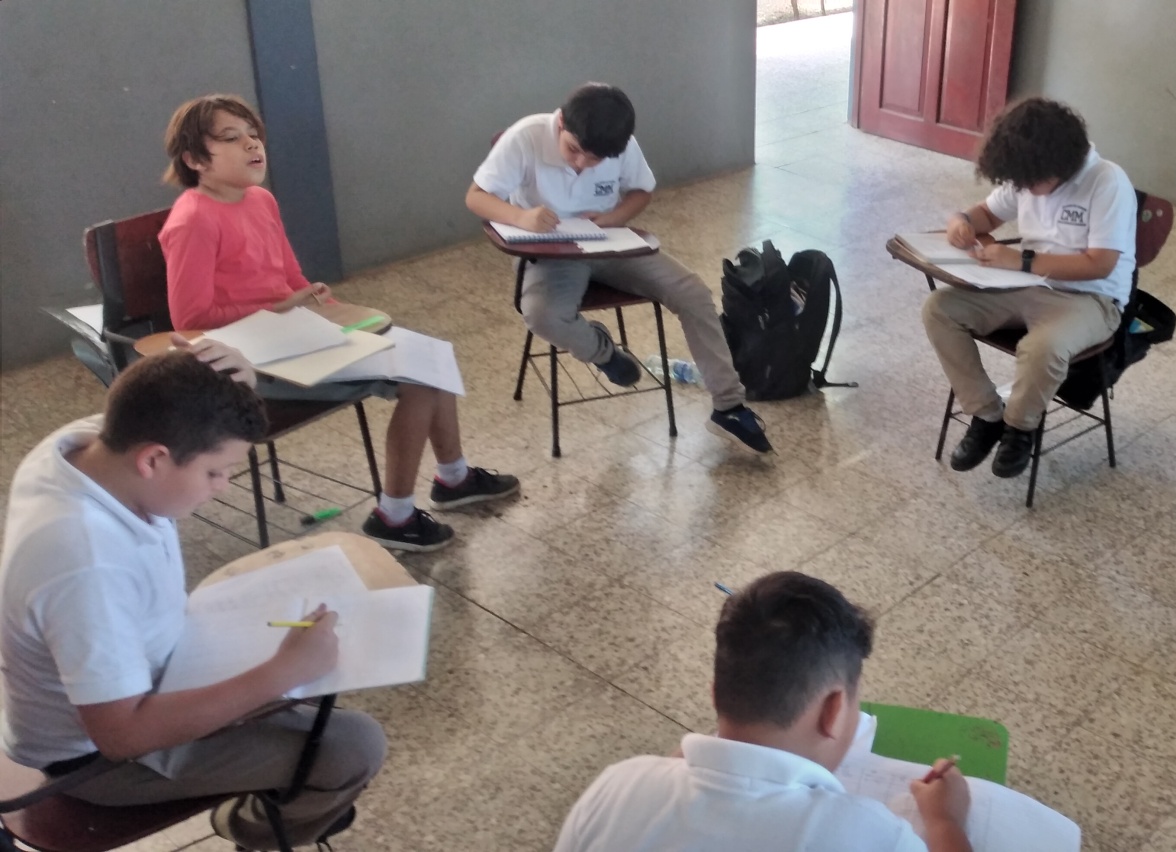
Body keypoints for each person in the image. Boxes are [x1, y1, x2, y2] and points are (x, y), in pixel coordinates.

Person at [0, 349, 387, 850]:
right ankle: (249, 825)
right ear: (153, 460)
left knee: (317, 682)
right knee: (354, 747)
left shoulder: (90, 445)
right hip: (95, 761)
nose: (222, 486)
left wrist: (234, 386)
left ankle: (293, 786)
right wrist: (280, 673)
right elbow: (121, 736)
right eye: (215, 472)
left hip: (152, 668)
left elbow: (162, 396)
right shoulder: (85, 564)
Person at [158, 94, 518, 553]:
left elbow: (290, 276)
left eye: (253, 134)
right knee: (421, 379)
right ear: (194, 160)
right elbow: (190, 320)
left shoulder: (261, 200)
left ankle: (454, 478)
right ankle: (394, 516)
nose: (251, 144)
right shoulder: (193, 220)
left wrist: (324, 304)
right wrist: (283, 307)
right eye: (231, 138)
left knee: (433, 352)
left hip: (294, 333)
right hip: (251, 360)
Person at [551, 571, 973, 852]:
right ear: (833, 710)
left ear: (716, 695)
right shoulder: (869, 835)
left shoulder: (616, 787)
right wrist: (944, 823)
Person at [465, 82, 773, 454]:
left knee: (692, 292)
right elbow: (476, 197)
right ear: (560, 123)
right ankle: (604, 353)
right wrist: (521, 217)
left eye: (594, 160)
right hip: (551, 252)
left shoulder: (621, 144)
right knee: (542, 314)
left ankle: (729, 406)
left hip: (609, 242)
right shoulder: (525, 137)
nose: (581, 164)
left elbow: (641, 191)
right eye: (573, 150)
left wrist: (614, 217)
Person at [925, 96, 1136, 478]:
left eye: (1031, 183)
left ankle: (1021, 428)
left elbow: (1100, 263)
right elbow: (987, 213)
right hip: (1026, 284)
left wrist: (1021, 261)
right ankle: (987, 415)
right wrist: (961, 221)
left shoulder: (1107, 182)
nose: (1024, 189)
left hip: (1091, 298)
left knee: (1042, 347)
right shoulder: (1029, 174)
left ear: (1059, 164)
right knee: (939, 309)